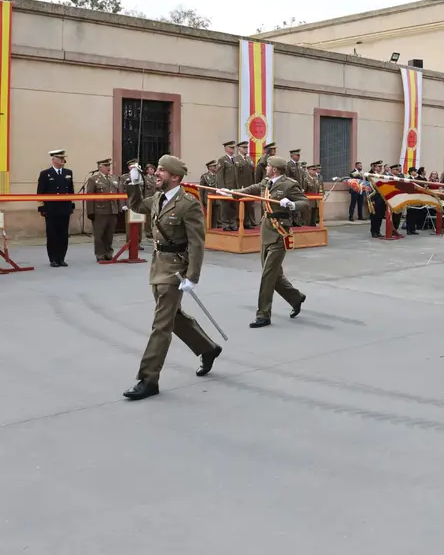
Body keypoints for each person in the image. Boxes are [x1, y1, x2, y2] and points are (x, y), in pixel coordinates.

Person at [121, 155, 223, 401]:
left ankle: (148, 379)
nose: (156, 174)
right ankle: (208, 349)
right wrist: (133, 183)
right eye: (156, 169)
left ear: (175, 177)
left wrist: (192, 276)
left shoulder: (189, 204)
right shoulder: (157, 198)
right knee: (172, 317)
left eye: (161, 171)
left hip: (175, 270)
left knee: (161, 324)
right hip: (158, 266)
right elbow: (136, 206)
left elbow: (197, 243)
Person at [218, 156, 311, 328]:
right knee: (274, 275)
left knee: (268, 276)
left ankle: (263, 315)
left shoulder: (289, 184)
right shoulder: (266, 182)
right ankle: (295, 297)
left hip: (280, 232)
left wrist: (291, 204)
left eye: (268, 166)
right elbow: (251, 189)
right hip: (266, 231)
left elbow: (304, 202)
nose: (266, 168)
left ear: (274, 169)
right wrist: (231, 192)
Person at [36, 149, 74, 267]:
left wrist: (70, 206)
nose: (62, 160)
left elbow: (71, 191)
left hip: (64, 209)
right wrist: (42, 208)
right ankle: (53, 258)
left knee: (63, 234)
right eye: (60, 158)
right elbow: (40, 193)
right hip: (51, 209)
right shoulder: (45, 174)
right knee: (52, 234)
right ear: (53, 160)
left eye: (63, 158)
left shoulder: (68, 172)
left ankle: (61, 258)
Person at [85, 158, 121, 262]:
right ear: (100, 167)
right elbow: (90, 196)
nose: (108, 168)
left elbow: (118, 194)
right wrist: (90, 212)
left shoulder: (114, 178)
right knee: (99, 235)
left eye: (109, 165)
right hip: (99, 211)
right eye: (106, 166)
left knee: (109, 235)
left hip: (112, 210)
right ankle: (100, 254)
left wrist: (118, 208)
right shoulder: (94, 179)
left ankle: (108, 253)